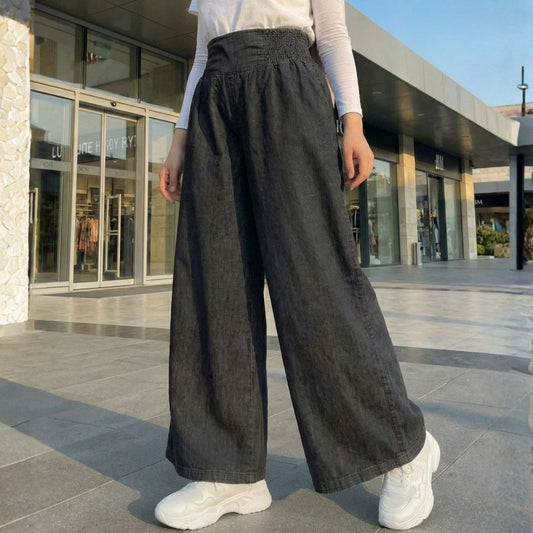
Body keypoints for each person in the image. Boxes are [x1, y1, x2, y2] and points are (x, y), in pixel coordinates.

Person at [156, 0, 440, 530]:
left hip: (287, 85)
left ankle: (405, 450)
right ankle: (229, 471)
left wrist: (351, 121)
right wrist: (180, 140)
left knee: (315, 282)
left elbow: (330, 34)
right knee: (213, 284)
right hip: (215, 103)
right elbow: (200, 57)